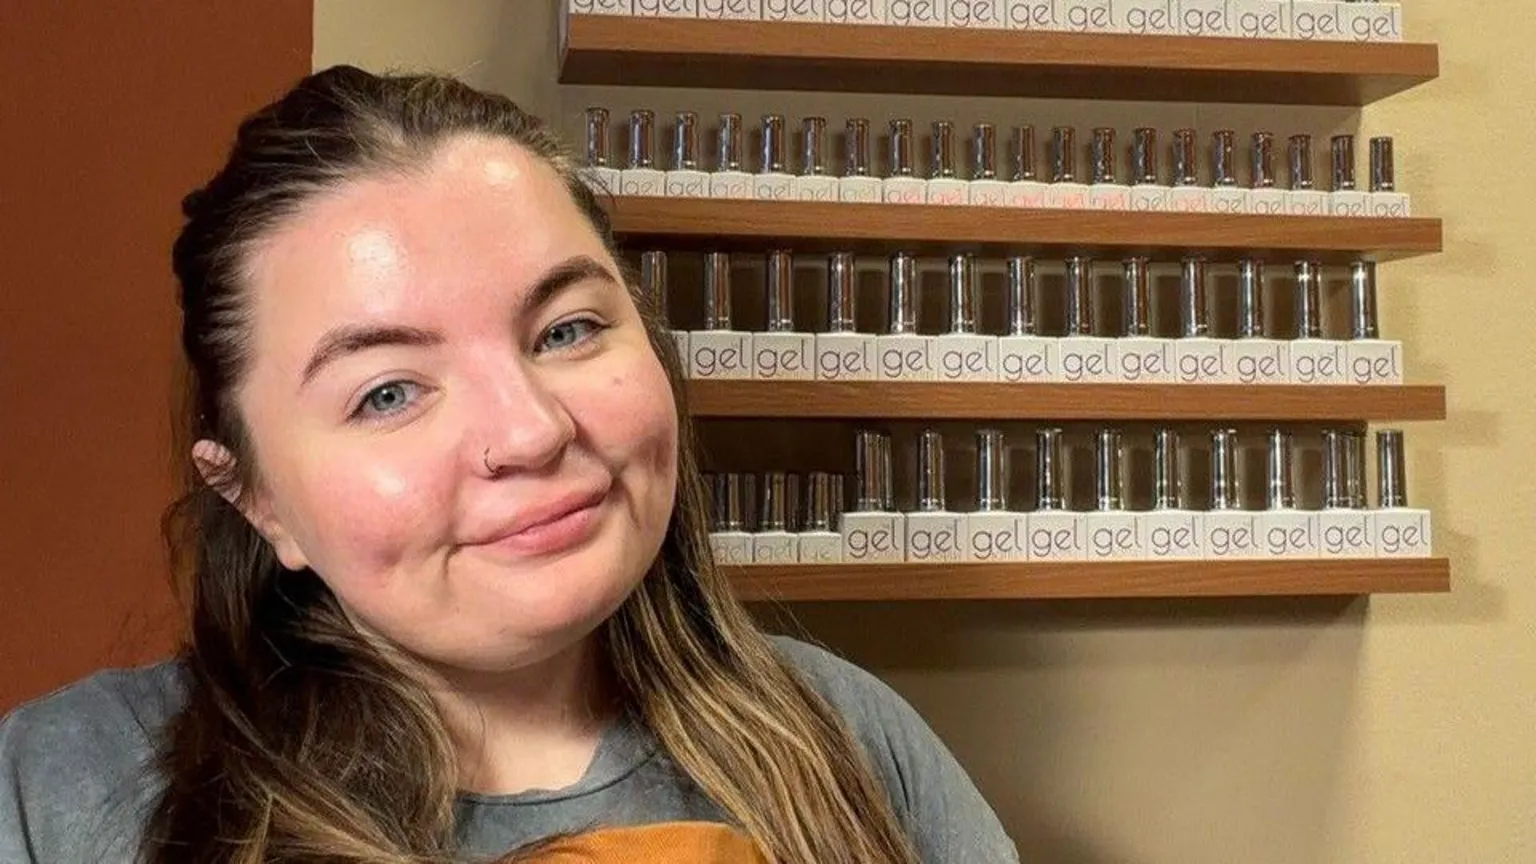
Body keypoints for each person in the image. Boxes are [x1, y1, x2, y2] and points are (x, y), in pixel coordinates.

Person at [0, 65, 1018, 864]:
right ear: (258, 497)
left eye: (567, 330)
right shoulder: (57, 791)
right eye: (388, 392)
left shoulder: (846, 737)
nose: (529, 432)